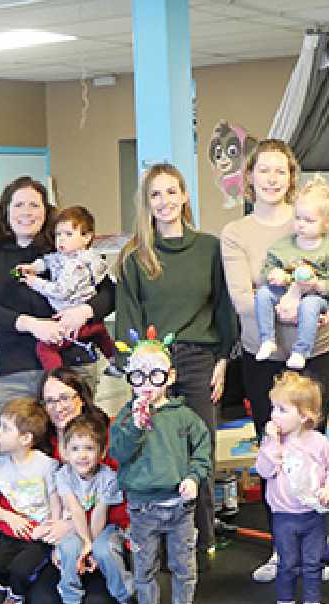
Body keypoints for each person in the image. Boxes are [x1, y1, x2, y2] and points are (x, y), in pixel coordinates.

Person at [221, 139, 329, 585]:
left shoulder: (311, 216)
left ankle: (316, 550)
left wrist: (315, 299)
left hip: (315, 353)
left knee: (314, 452)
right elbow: (240, 297)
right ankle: (280, 549)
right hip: (263, 355)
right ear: (249, 177)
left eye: (280, 171)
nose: (271, 179)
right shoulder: (237, 233)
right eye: (263, 170)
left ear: (292, 178)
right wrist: (281, 308)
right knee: (276, 448)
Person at [115, 164, 238, 568]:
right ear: (146, 203)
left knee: (199, 451)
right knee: (155, 450)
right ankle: (157, 544)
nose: (165, 201)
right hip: (152, 367)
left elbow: (223, 308)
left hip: (200, 359)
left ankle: (199, 545)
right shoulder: (136, 258)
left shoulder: (208, 247)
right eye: (155, 195)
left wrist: (222, 359)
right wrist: (138, 375)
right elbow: (128, 316)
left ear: (185, 196)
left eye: (172, 192)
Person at [0, 177, 114, 417]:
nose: (26, 212)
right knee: (19, 446)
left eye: (34, 205)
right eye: (18, 205)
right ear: (5, 212)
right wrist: (33, 325)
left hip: (72, 368)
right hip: (16, 372)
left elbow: (110, 294)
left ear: (46, 212)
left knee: (73, 448)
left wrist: (83, 312)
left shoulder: (65, 253)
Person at [110, 335, 212, 604]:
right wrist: (135, 427)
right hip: (142, 507)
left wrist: (194, 476)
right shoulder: (126, 417)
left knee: (183, 562)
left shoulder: (183, 415)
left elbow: (202, 449)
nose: (146, 384)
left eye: (155, 375)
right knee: (144, 563)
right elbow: (119, 452)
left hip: (179, 506)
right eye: (138, 376)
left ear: (170, 377)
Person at [256, 372, 329, 604]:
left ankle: (313, 601)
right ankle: (285, 601)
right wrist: (272, 444)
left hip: (312, 515)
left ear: (304, 416)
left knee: (313, 561)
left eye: (282, 409)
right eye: (273, 408)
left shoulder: (319, 443)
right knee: (287, 562)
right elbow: (264, 470)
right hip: (283, 516)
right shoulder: (273, 442)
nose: (274, 415)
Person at [252, 176, 329, 370]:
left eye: (309, 220)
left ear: (326, 223)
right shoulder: (282, 246)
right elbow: (264, 274)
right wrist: (275, 276)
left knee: (309, 305)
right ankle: (267, 339)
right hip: (284, 293)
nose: (301, 224)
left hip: (316, 296)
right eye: (298, 218)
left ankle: (301, 351)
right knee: (263, 295)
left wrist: (317, 285)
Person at [51, 413, 134, 604]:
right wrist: (84, 543)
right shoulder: (63, 476)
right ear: (65, 452)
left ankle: (124, 598)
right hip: (77, 527)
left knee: (104, 549)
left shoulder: (109, 477)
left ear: (102, 452)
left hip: (103, 527)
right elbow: (75, 509)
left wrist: (92, 546)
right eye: (75, 449)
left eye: (89, 448)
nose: (82, 455)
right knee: (68, 547)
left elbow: (100, 513)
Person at [14, 205, 120, 375]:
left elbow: (61, 291)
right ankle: (116, 361)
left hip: (72, 318)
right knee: (100, 334)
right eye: (58, 235)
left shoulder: (76, 265)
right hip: (91, 321)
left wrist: (35, 282)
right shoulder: (66, 256)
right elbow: (48, 261)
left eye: (68, 234)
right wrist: (32, 267)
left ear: (87, 237)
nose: (61, 240)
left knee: (45, 347)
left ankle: (57, 377)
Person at [0, 398, 63, 604]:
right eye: (0, 426)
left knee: (21, 569)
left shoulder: (46, 465)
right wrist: (10, 518)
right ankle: (11, 583)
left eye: (6, 429)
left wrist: (54, 534)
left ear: (26, 438)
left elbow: (55, 499)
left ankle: (17, 593)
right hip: (14, 531)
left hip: (39, 533)